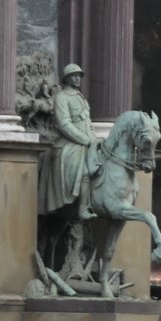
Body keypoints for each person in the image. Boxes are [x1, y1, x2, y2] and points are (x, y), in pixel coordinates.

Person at [42, 62, 101, 218]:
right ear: (66, 79)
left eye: (79, 75)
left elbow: (88, 123)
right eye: (73, 75)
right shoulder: (61, 97)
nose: (77, 78)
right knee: (84, 169)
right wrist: (85, 140)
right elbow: (64, 124)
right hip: (70, 142)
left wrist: (95, 140)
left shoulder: (81, 98)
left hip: (89, 140)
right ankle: (82, 209)